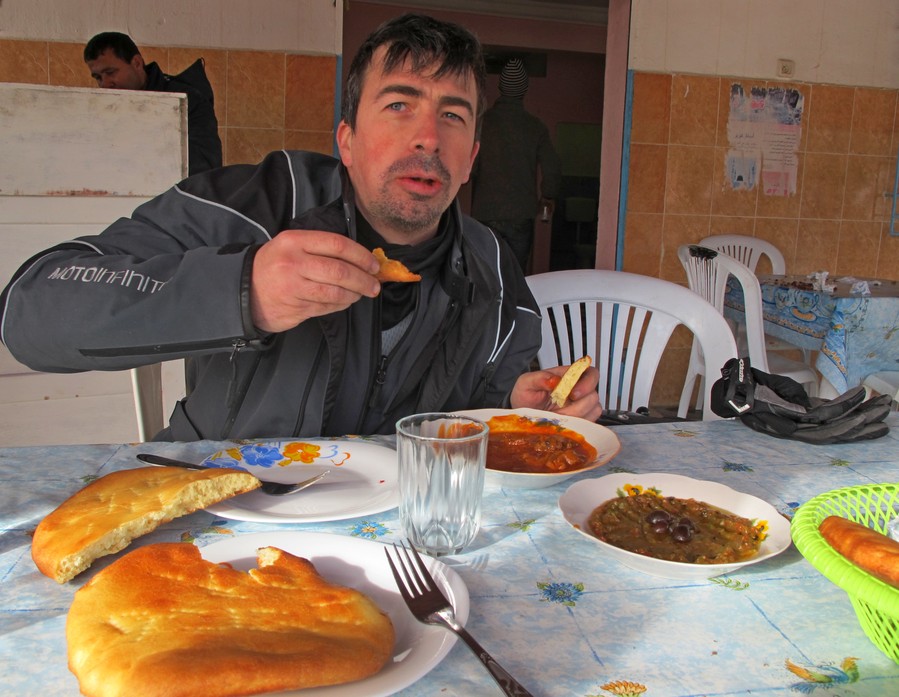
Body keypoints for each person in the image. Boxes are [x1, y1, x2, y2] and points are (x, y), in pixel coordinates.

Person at [1, 14, 601, 442]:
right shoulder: (254, 204)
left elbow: (478, 416)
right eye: (399, 105)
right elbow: (31, 308)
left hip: (396, 542)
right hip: (220, 509)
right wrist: (244, 291)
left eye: (452, 115)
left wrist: (517, 409)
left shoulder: (492, 269)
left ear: (471, 156)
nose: (427, 136)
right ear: (347, 139)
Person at [84, 31, 223, 176]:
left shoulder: (187, 101)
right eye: (98, 77)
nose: (105, 84)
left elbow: (205, 168)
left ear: (136, 63)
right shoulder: (104, 108)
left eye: (111, 72)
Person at [470, 58, 562, 272]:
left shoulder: (483, 124)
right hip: (521, 213)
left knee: (484, 273)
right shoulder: (534, 127)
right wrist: (548, 196)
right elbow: (552, 167)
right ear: (524, 90)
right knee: (515, 276)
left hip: (486, 210)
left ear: (501, 87)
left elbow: (470, 166)